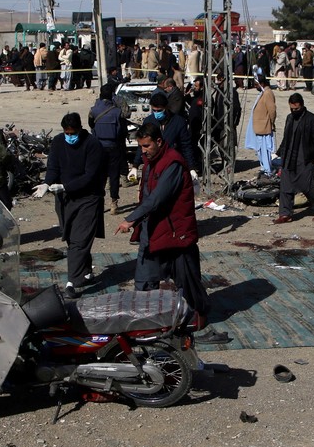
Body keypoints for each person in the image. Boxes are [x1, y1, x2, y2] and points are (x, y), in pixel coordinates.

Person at [116, 123, 211, 325]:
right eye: (141, 146)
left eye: (147, 146)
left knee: (187, 281)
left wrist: (131, 219)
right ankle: (145, 322)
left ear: (159, 142)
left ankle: (198, 319)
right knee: (144, 279)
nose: (144, 151)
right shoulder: (151, 162)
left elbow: (157, 198)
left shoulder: (172, 163)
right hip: (153, 230)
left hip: (176, 233)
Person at [40, 113, 106, 299]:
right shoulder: (58, 142)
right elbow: (53, 166)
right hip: (65, 199)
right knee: (71, 237)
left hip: (88, 198)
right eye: (67, 133)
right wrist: (47, 183)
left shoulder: (93, 144)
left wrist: (66, 186)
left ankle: (72, 283)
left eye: (73, 133)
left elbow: (90, 175)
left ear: (79, 129)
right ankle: (86, 272)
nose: (70, 137)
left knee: (79, 239)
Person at [273, 93, 314, 223]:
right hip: (288, 158)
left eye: (296, 109)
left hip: (304, 158)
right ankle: (285, 214)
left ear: (302, 106)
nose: (294, 111)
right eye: (292, 109)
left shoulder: (312, 119)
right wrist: (278, 153)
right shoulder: (289, 118)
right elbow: (286, 138)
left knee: (309, 186)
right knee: (286, 187)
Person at [130, 91, 196, 181]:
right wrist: (135, 166)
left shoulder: (178, 122)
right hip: (153, 164)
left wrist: (191, 167)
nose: (157, 113)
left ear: (166, 107)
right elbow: (142, 145)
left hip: (172, 164)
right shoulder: (149, 121)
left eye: (159, 110)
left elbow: (186, 145)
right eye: (154, 110)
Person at [88, 83, 127, 215]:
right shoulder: (117, 112)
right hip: (114, 146)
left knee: (100, 176)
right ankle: (114, 203)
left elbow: (90, 125)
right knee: (114, 176)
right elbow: (122, 130)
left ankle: (98, 203)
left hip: (99, 147)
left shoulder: (93, 110)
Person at [243, 70, 277, 178]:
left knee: (265, 150)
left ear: (261, 84)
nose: (255, 86)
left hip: (264, 127)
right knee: (260, 150)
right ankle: (264, 168)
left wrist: (271, 123)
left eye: (256, 84)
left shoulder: (267, 93)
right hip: (259, 127)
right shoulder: (263, 93)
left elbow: (272, 110)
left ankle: (267, 170)